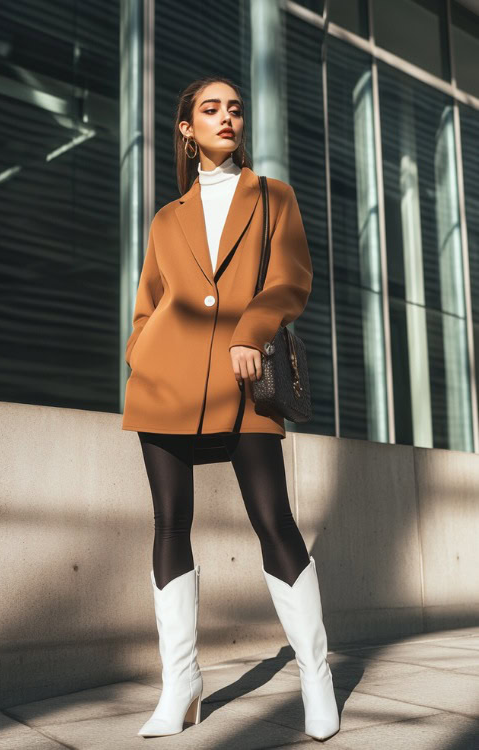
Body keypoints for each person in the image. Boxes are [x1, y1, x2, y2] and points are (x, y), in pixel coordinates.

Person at [122, 76, 340, 742]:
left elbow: (289, 280)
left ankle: (314, 675)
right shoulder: (167, 218)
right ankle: (181, 685)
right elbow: (146, 305)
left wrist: (251, 333)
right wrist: (143, 353)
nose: (227, 117)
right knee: (169, 524)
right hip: (165, 385)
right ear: (186, 128)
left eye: (235, 109)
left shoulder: (274, 198)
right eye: (210, 109)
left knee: (275, 521)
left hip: (244, 382)